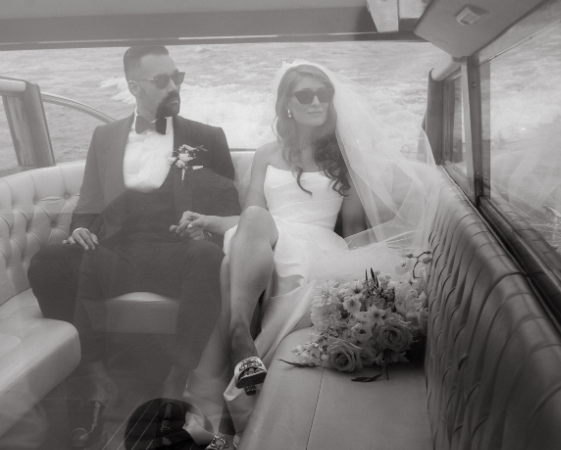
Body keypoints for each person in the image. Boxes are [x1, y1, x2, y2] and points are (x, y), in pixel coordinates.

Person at [174, 61, 439, 449]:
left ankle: (233, 346)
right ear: (287, 105)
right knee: (252, 220)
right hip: (264, 235)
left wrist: (366, 272)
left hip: (313, 243)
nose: (317, 101)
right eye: (305, 95)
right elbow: (252, 217)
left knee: (233, 264)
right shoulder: (265, 154)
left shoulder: (343, 157)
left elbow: (349, 231)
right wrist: (209, 219)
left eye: (324, 94)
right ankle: (238, 349)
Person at [27, 45, 241, 449]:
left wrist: (204, 230)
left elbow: (228, 209)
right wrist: (82, 230)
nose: (174, 85)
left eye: (179, 76)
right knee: (47, 263)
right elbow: (89, 205)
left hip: (178, 250)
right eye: (162, 80)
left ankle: (177, 379)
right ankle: (92, 374)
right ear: (133, 86)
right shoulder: (104, 137)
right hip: (115, 253)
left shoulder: (208, 138)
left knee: (209, 256)